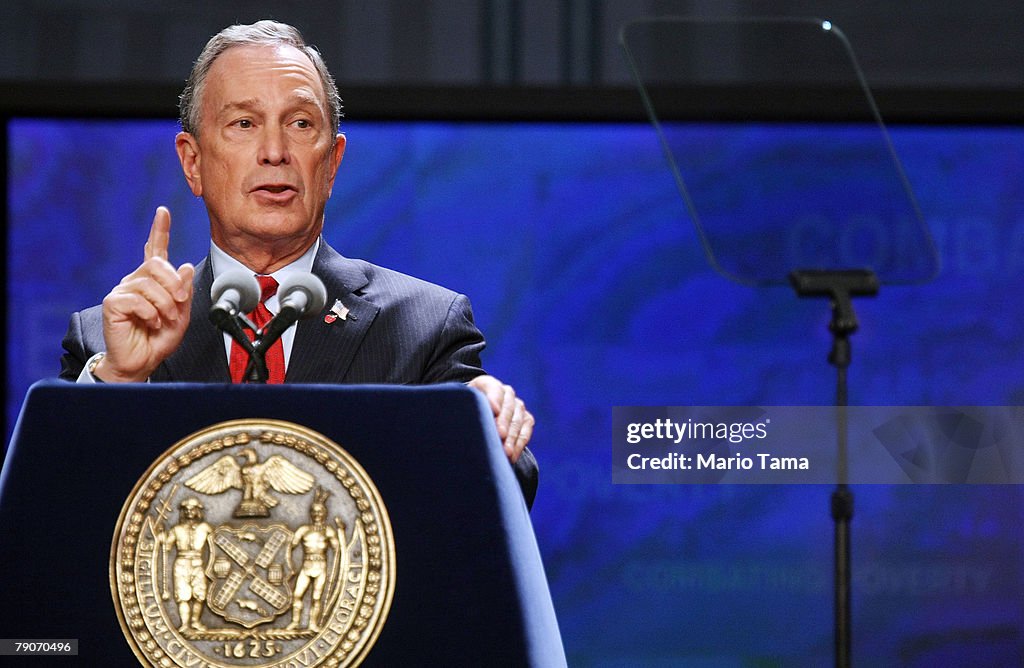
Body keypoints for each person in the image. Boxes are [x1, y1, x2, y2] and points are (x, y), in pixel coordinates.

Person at [58, 20, 537, 504]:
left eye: (301, 124)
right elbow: (47, 512)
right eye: (244, 124)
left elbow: (504, 498)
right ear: (192, 162)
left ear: (331, 164)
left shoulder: (423, 327)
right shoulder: (106, 341)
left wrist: (482, 429)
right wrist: (118, 382)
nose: (274, 152)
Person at [156, 498, 214, 633]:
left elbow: (217, 543)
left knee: (200, 594)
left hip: (198, 563)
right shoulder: (177, 529)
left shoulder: (205, 528)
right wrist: (160, 536)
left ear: (198, 511)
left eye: (192, 509)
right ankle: (184, 624)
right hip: (181, 564)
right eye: (186, 509)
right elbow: (167, 546)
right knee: (182, 595)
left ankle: (195, 622)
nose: (189, 512)